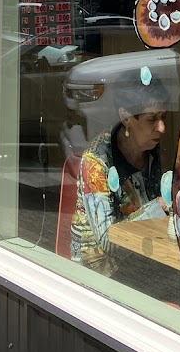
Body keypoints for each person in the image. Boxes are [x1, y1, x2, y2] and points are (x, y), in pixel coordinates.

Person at [71, 71, 169, 275]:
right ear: (126, 118)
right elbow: (108, 240)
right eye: (152, 119)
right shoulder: (96, 162)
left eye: (163, 117)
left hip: (143, 256)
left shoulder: (150, 147)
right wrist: (158, 207)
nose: (162, 128)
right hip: (101, 272)